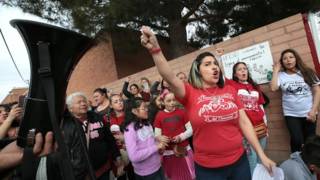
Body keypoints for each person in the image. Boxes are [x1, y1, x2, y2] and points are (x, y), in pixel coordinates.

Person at [140, 26, 275, 180]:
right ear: (198, 70)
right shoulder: (189, 92)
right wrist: (155, 50)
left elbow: (244, 122)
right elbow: (169, 76)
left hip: (239, 161)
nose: (214, 67)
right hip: (209, 169)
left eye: (215, 63)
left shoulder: (230, 90)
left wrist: (261, 155)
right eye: (207, 64)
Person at [270, 48, 320, 153]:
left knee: (310, 141)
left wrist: (313, 110)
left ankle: (311, 166)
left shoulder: (307, 72)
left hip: (309, 112)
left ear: (296, 59)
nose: (288, 60)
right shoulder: (280, 75)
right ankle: (297, 162)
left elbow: (317, 91)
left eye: (291, 57)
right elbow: (273, 88)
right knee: (297, 140)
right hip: (291, 114)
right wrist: (275, 70)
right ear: (282, 62)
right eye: (285, 59)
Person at [65, 92, 124, 180]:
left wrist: (117, 156)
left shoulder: (97, 117)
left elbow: (109, 139)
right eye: (79, 102)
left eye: (84, 101)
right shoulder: (67, 126)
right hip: (85, 174)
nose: (83, 104)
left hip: (104, 168)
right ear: (70, 108)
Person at [227, 62, 268, 174]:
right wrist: (218, 56)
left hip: (261, 127)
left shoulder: (255, 86)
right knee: (252, 159)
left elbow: (261, 106)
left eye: (245, 69)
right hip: (246, 130)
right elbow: (220, 76)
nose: (243, 71)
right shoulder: (232, 85)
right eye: (240, 69)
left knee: (261, 157)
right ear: (235, 74)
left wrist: (266, 125)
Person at [123, 97, 169, 180]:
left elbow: (149, 142)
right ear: (134, 111)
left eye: (146, 107)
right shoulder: (130, 130)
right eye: (143, 108)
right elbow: (133, 156)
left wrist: (158, 142)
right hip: (146, 174)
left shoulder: (147, 124)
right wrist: (156, 147)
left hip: (158, 166)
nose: (147, 110)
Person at [154, 90, 195, 180]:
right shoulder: (159, 115)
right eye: (169, 101)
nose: (172, 103)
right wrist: (160, 138)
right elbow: (157, 134)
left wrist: (181, 137)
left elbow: (191, 129)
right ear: (163, 101)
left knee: (189, 175)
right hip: (168, 152)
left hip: (183, 150)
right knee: (174, 176)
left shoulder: (182, 112)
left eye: (173, 100)